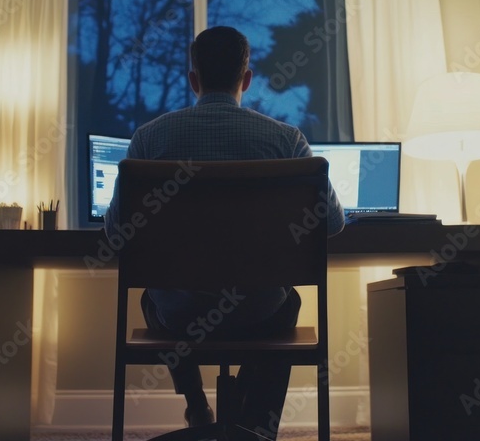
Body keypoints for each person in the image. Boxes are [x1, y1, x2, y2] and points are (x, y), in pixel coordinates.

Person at [105, 25, 345, 440]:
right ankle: (257, 427)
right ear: (246, 79)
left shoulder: (148, 139)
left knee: (153, 297)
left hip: (179, 320)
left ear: (193, 80)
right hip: (258, 315)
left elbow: (115, 234)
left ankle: (198, 407)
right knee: (287, 301)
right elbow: (333, 224)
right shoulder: (288, 140)